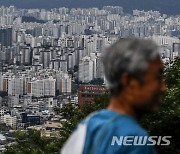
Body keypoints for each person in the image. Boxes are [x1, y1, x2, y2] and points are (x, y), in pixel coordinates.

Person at [61, 38, 167, 154]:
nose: (163, 88)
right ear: (129, 82)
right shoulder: (135, 142)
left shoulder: (86, 127)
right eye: (157, 78)